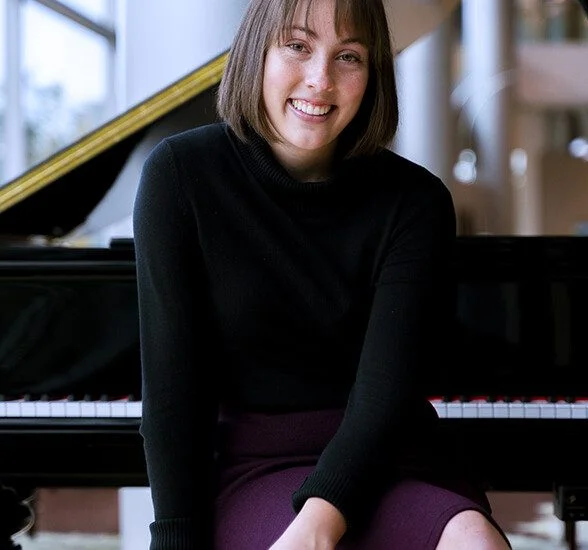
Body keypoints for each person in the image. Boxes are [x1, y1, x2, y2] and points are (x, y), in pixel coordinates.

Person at [132, 0, 513, 548]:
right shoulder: (179, 176)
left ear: (373, 73)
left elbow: (385, 395)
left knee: (475, 539)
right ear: (257, 51)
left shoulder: (415, 201)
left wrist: (314, 531)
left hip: (389, 455)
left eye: (350, 57)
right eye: (297, 46)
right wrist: (176, 540)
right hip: (255, 464)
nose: (320, 80)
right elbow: (173, 393)